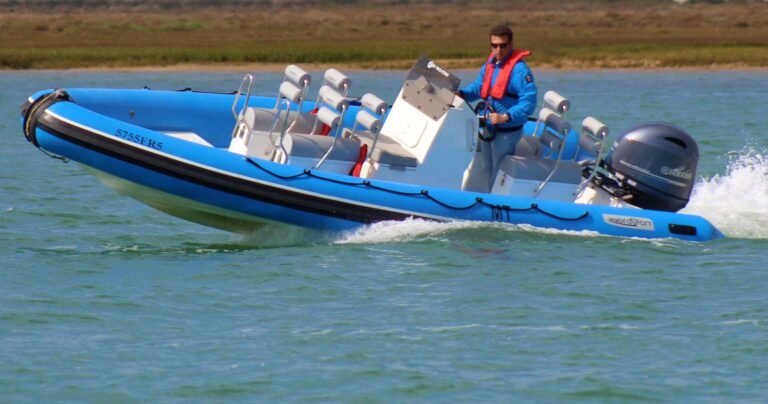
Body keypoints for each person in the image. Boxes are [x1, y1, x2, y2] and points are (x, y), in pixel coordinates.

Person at [457, 24, 537, 185]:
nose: (498, 50)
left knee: (499, 173)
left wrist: (506, 116)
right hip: (488, 128)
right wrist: (463, 94)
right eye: (494, 45)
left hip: (506, 131)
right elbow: (479, 86)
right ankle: (488, 198)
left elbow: (529, 102)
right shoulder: (491, 64)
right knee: (487, 168)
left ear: (511, 45)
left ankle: (500, 202)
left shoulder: (520, 71)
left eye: (503, 45)